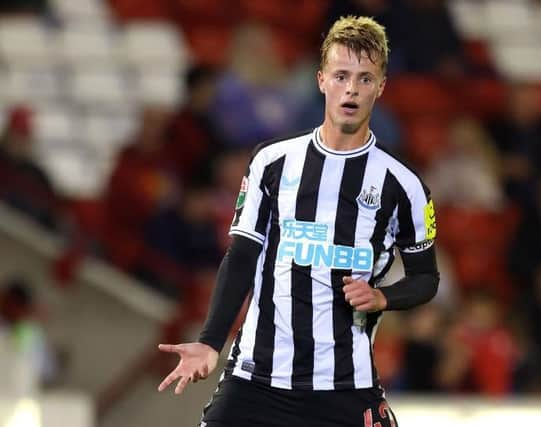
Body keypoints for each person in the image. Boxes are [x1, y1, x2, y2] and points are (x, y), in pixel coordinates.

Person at [157, 16, 440, 427]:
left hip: (345, 386)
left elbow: (426, 278)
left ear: (380, 87)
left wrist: (384, 298)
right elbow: (241, 257)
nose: (351, 89)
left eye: (364, 79)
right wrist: (209, 343)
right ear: (321, 79)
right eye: (341, 75)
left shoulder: (404, 186)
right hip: (257, 381)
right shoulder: (272, 162)